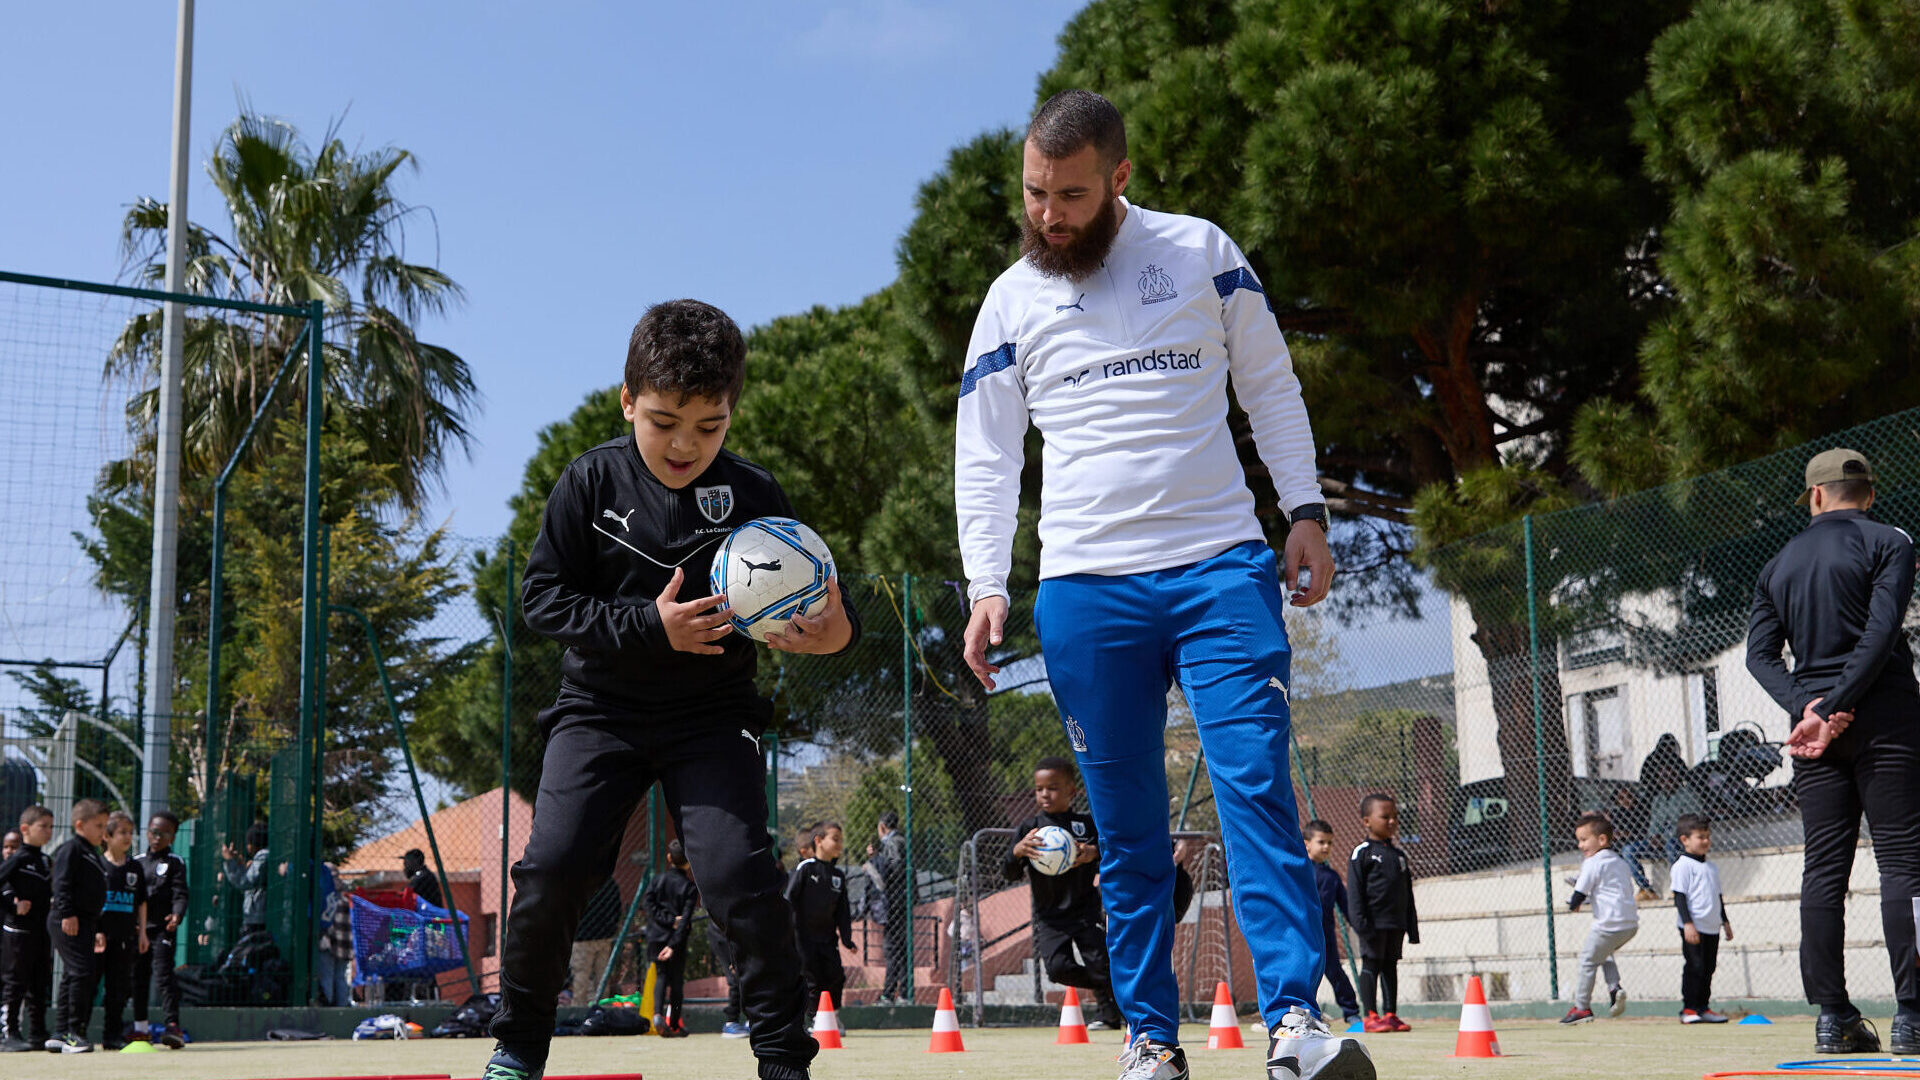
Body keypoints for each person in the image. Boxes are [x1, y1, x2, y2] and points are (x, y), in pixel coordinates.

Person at [955, 88, 1365, 1080]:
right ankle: (1149, 1041)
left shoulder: (1200, 252)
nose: (1049, 212)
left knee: (1256, 793)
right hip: (1087, 594)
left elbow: (1270, 384)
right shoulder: (1011, 298)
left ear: (1120, 180)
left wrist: (1303, 509)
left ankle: (1296, 1027)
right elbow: (986, 453)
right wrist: (985, 581)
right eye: (1036, 193)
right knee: (1128, 832)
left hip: (1221, 569)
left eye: (1072, 193)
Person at [483, 299, 859, 1080]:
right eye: (663, 422)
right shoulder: (589, 483)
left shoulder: (755, 496)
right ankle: (518, 1046)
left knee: (739, 877)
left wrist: (829, 630)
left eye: (708, 425)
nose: (685, 443)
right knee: (551, 871)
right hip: (599, 713)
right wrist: (652, 627)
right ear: (627, 402)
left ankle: (784, 1058)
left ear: (732, 413)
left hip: (713, 717)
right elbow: (543, 602)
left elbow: (833, 612)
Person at [1747, 447, 1920, 1056]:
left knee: (1823, 870)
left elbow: (1759, 656)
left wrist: (1809, 708)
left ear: (1815, 496)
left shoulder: (1778, 563)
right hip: (1887, 720)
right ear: (1868, 495)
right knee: (1904, 863)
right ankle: (1912, 1016)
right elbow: (1882, 631)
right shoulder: (1889, 542)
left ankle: (1832, 1017)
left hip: (1812, 736)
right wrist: (1841, 702)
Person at [1002, 756, 1120, 1030]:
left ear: (1071, 791)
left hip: (1084, 910)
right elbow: (1008, 872)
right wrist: (1016, 852)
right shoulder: (1029, 830)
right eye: (1039, 788)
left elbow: (1111, 858)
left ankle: (1111, 1016)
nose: (1045, 794)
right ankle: (1109, 986)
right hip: (1049, 916)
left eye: (1053, 788)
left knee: (1100, 961)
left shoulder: (1086, 825)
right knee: (1057, 969)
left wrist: (1094, 853)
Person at [1347, 794, 1417, 1034]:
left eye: (1395, 817)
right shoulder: (1362, 853)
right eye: (1385, 817)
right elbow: (1355, 893)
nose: (1391, 822)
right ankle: (1370, 1015)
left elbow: (1407, 894)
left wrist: (1411, 927)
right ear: (1367, 821)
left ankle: (1390, 1014)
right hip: (1372, 924)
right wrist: (1360, 923)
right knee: (1372, 965)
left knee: (1390, 966)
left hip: (1395, 923)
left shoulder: (1399, 856)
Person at [1560, 812, 1637, 1025]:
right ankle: (1614, 988)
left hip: (1608, 924)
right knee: (1603, 953)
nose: (1580, 845)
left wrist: (1573, 903)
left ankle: (1582, 1008)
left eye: (1584, 840)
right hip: (1630, 924)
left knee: (1587, 961)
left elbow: (1581, 890)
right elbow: (1609, 892)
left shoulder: (1593, 862)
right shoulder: (1619, 861)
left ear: (1602, 840)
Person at [48, 798, 110, 1053]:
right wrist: (67, 913)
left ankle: (61, 1032)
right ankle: (73, 1032)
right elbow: (61, 883)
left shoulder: (90, 853)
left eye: (105, 826)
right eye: (99, 826)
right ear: (80, 825)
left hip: (85, 922)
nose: (103, 832)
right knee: (82, 972)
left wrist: (95, 927)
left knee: (74, 974)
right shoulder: (71, 849)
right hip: (69, 919)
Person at [786, 822, 854, 1025]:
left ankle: (833, 1016)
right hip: (803, 938)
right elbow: (789, 900)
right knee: (811, 979)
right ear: (818, 841)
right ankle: (814, 1019)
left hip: (827, 938)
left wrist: (847, 939)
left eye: (841, 840)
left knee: (835, 976)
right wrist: (785, 932)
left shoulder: (838, 876)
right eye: (835, 839)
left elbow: (843, 911)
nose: (839, 844)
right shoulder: (805, 869)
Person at [0, 805, 54, 1052]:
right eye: (43, 826)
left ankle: (38, 1032)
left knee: (39, 983)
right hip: (19, 932)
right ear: (25, 829)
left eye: (51, 827)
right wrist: (13, 906)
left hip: (41, 932)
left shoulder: (45, 860)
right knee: (15, 982)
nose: (48, 832)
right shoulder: (18, 858)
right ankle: (8, 1032)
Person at [1670, 813, 1732, 1024]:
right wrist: (1688, 924)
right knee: (1694, 966)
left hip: (1712, 926)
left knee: (1708, 968)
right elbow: (1679, 897)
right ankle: (1689, 1009)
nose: (1706, 841)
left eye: (1707, 836)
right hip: (1693, 926)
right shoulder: (1682, 866)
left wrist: (1725, 921)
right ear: (1685, 840)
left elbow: (1718, 896)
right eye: (1700, 837)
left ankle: (1703, 1007)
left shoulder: (1711, 867)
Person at [134, 811, 189, 1047]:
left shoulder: (175, 862)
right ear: (147, 832)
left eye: (164, 833)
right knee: (138, 977)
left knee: (164, 975)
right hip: (139, 930)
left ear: (173, 837)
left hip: (162, 930)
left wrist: (177, 914)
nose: (158, 837)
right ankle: (140, 1028)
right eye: (154, 832)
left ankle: (172, 1026)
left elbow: (180, 893)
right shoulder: (136, 862)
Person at [97, 811, 150, 1050]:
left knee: (118, 989)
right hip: (100, 937)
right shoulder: (97, 864)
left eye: (130, 832)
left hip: (125, 936)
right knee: (89, 985)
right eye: (122, 833)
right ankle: (76, 1032)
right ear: (107, 836)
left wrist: (142, 933)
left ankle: (113, 1035)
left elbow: (141, 902)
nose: (127, 837)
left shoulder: (134, 868)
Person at [1301, 821, 1360, 1028]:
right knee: (1300, 973)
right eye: (1321, 842)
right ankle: (1299, 1013)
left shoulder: (1332, 877)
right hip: (1300, 934)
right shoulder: (1298, 871)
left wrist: (1359, 925)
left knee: (1334, 971)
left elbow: (1346, 906)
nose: (1326, 847)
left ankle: (1352, 1013)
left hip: (1325, 935)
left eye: (1329, 843)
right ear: (1307, 844)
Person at [642, 840, 698, 1037]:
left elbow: (648, 905)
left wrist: (665, 920)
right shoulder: (690, 888)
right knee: (676, 982)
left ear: (669, 858)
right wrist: (674, 941)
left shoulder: (657, 881)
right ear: (688, 862)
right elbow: (684, 921)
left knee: (661, 974)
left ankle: (657, 1014)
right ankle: (674, 1023)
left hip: (656, 935)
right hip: (676, 940)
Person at [865, 810, 909, 1004]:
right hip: (901, 902)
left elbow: (892, 872)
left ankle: (890, 993)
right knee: (900, 950)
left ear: (882, 827)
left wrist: (873, 864)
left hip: (895, 904)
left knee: (893, 950)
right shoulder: (900, 842)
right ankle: (902, 992)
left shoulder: (892, 844)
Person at [569, 877, 622, 1007]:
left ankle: (578, 1009)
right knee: (603, 977)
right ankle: (600, 1010)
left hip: (582, 936)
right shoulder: (608, 882)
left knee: (581, 977)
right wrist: (611, 928)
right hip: (604, 935)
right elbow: (617, 908)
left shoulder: (578, 882)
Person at [221, 821, 272, 939]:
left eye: (248, 843)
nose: (246, 847)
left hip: (258, 919)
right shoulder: (261, 858)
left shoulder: (263, 856)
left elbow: (244, 882)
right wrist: (240, 865)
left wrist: (229, 861)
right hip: (257, 917)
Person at [316, 863, 354, 1007]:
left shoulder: (327, 896)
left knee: (327, 976)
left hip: (329, 942)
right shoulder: (345, 898)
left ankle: (328, 1006)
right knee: (341, 978)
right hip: (344, 944)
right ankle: (342, 1006)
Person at [705, 912, 747, 1037]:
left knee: (748, 974)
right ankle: (731, 1022)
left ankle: (751, 1020)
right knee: (735, 976)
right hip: (723, 933)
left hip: (738, 932)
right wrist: (734, 959)